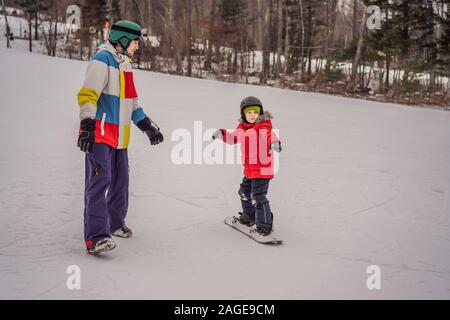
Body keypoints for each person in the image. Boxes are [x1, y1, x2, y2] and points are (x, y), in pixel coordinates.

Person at [76, 20, 164, 255]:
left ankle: (114, 224)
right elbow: (88, 95)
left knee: (120, 182)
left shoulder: (125, 64)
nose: (137, 46)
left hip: (120, 138)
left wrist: (146, 125)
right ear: (123, 40)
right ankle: (95, 237)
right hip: (101, 135)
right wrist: (86, 125)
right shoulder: (101, 60)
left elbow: (131, 102)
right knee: (100, 182)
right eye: (135, 42)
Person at [212, 96, 282, 236]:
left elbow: (271, 136)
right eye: (248, 112)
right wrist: (222, 134)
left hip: (262, 170)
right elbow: (233, 139)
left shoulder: (263, 127)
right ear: (243, 114)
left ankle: (265, 225)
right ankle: (249, 217)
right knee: (244, 193)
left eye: (255, 112)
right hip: (249, 170)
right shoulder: (242, 128)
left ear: (260, 113)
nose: (252, 115)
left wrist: (274, 143)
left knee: (258, 196)